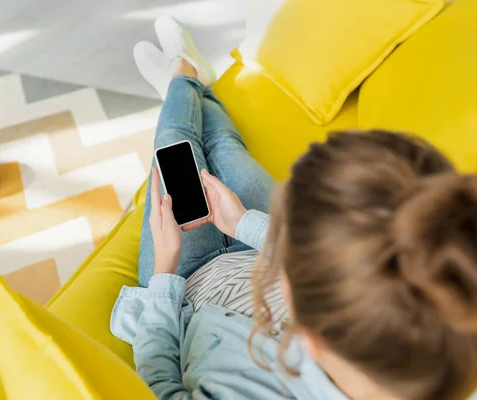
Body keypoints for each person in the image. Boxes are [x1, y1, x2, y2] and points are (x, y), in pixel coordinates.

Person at [110, 16, 477, 400]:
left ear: (311, 340)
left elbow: (161, 388)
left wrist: (165, 273)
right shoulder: (434, 341)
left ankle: (182, 78)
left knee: (173, 144)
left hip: (182, 279)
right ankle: (187, 80)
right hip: (246, 237)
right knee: (225, 148)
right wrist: (245, 224)